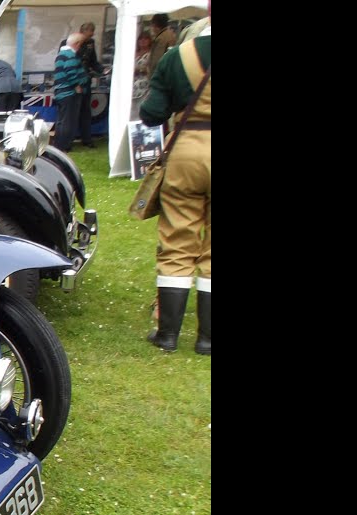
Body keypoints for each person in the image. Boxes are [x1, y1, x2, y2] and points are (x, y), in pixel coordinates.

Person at [140, 10, 210, 354]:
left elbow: (152, 112)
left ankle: (167, 335)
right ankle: (207, 339)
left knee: (177, 239)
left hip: (186, 151)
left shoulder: (176, 57)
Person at [60, 22, 106, 147]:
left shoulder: (91, 43)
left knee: (86, 111)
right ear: (83, 31)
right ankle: (67, 142)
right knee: (71, 114)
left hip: (85, 81)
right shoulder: (67, 44)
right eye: (90, 32)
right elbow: (69, 64)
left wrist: (102, 70)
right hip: (73, 83)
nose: (92, 35)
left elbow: (93, 62)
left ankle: (87, 139)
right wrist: (76, 83)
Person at [52, 33, 88, 152]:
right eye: (81, 44)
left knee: (62, 120)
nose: (81, 47)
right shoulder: (70, 55)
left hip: (62, 92)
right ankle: (64, 146)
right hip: (68, 92)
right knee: (68, 121)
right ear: (77, 44)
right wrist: (77, 85)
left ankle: (60, 144)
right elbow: (70, 71)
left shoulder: (61, 54)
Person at [131, 31, 153, 119]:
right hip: (132, 86)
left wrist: (140, 69)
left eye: (145, 39)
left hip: (145, 86)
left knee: (141, 111)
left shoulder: (151, 54)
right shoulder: (133, 53)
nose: (143, 41)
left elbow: (151, 68)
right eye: (141, 39)